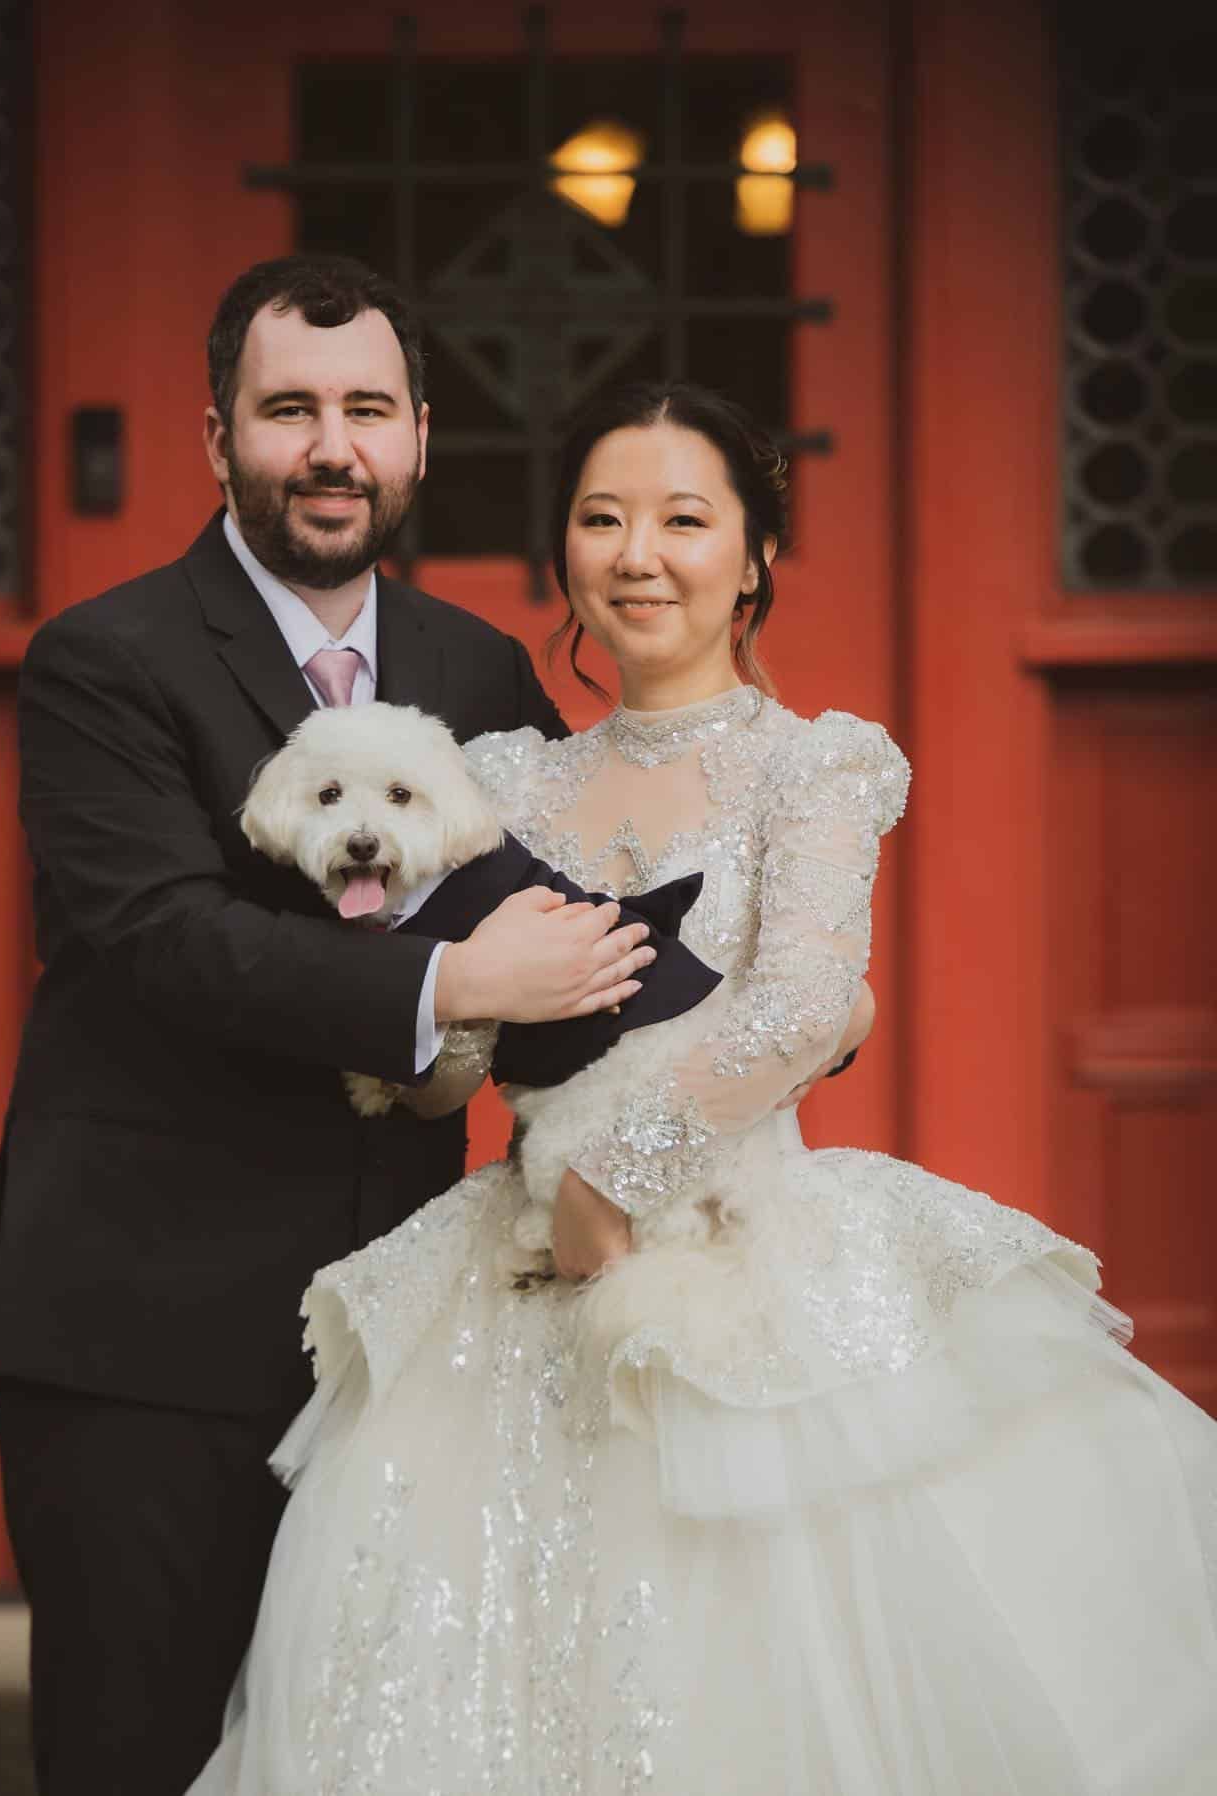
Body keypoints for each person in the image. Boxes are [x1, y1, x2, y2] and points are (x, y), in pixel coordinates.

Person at [191, 381, 1217, 1796]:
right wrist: (425, 1027)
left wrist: (616, 1180)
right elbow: (462, 1078)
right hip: (517, 1275)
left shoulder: (816, 765)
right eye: (602, 519)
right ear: (566, 556)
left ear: (753, 558)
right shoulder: (501, 782)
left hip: (738, 1256)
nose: (637, 554)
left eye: (685, 520)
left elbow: (806, 1001)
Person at [0, 255, 663, 1796]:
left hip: (404, 1342)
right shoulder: (103, 659)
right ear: (220, 440)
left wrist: (774, 1008)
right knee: (138, 1757)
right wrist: (451, 986)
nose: (328, 447)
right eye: (286, 411)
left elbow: (565, 946)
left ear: (415, 435)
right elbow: (162, 941)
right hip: (143, 1328)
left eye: (362, 411)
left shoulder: (482, 672)